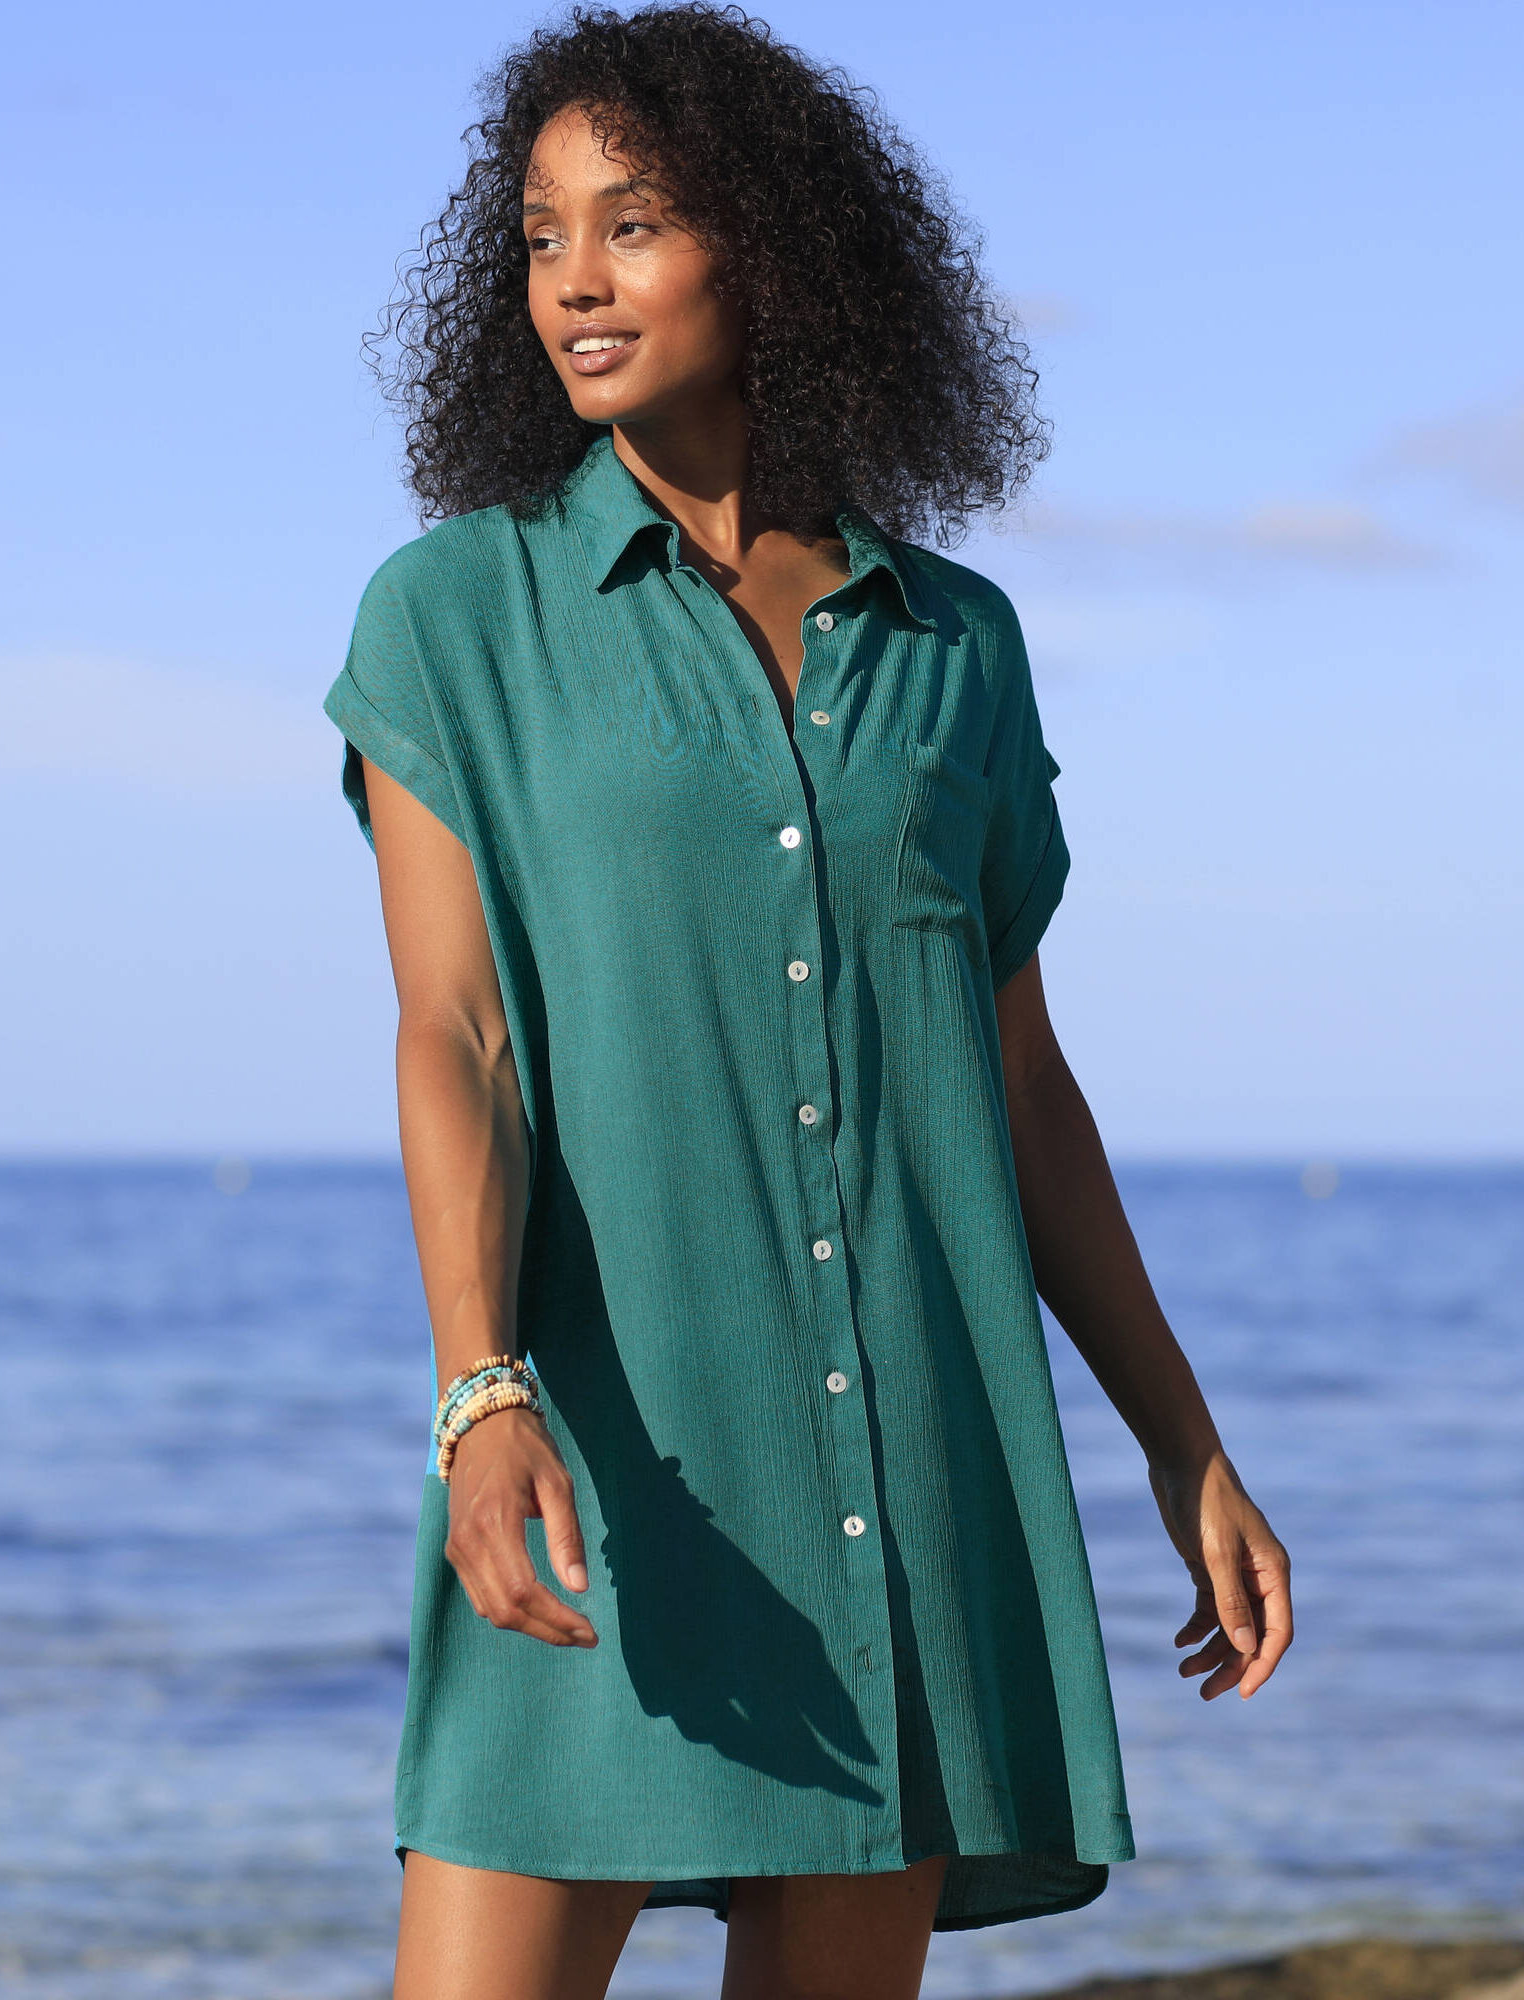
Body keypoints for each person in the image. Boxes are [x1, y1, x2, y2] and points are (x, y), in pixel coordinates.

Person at [322, 6, 1294, 1996]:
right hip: (607, 1470)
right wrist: (481, 1393)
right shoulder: (455, 617)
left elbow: (1020, 1086)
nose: (575, 280)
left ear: (769, 248)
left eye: (633, 223)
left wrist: (1182, 1441)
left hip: (903, 1481)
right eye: (540, 235)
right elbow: (457, 1035)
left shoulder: (957, 647)